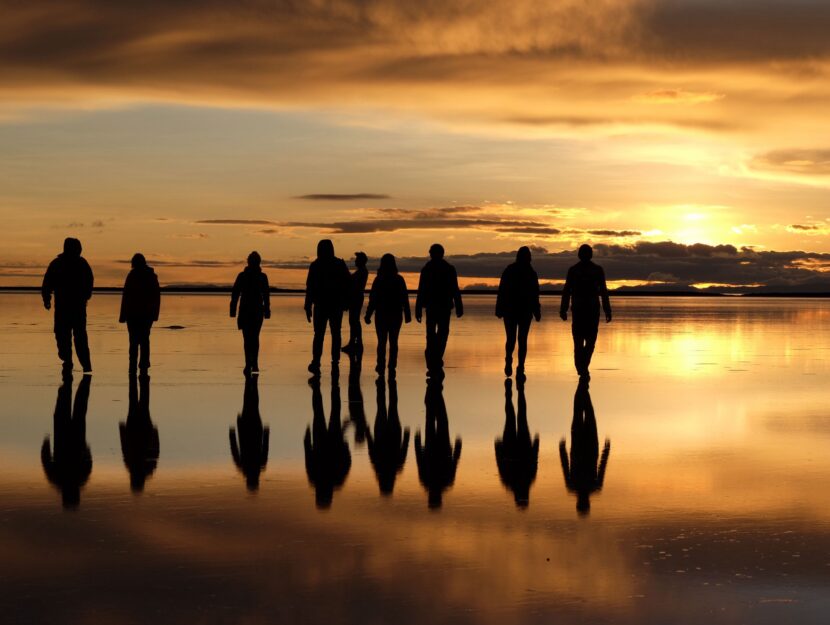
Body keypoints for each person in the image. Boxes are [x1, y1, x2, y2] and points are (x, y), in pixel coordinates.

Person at [559, 244, 612, 380]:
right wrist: (563, 308)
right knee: (586, 342)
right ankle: (582, 367)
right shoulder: (582, 270)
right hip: (583, 310)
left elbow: (603, 291)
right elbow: (567, 291)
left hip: (586, 310)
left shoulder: (587, 270)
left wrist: (607, 309)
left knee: (584, 342)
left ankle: (582, 367)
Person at [41, 237, 94, 373]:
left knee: (78, 336)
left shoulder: (80, 264)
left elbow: (89, 281)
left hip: (74, 307)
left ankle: (84, 364)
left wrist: (86, 295)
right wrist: (46, 298)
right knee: (63, 335)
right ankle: (68, 360)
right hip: (66, 307)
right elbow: (47, 283)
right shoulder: (58, 264)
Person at [41, 373, 92, 509]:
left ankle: (72, 384)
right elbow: (46, 460)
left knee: (77, 410)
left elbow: (88, 462)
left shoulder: (65, 479)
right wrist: (46, 444)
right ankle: (70, 385)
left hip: (69, 438)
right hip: (70, 438)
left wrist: (87, 450)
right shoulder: (61, 479)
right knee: (73, 410)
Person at [559, 379, 610, 515]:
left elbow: (565, 466)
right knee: (585, 410)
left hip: (584, 444)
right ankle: (583, 383)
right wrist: (606, 450)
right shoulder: (590, 486)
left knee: (583, 410)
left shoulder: (586, 486)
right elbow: (602, 466)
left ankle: (583, 383)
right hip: (587, 444)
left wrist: (562, 450)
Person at [415, 243, 463, 378]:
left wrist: (459, 305)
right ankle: (434, 358)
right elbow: (454, 289)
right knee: (439, 334)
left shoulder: (432, 269)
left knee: (437, 334)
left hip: (438, 307)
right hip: (438, 307)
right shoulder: (439, 269)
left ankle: (434, 357)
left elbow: (454, 288)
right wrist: (458, 305)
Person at [304, 240, 350, 376]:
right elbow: (310, 287)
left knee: (322, 334)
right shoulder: (336, 264)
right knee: (332, 334)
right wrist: (307, 306)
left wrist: (307, 305)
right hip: (328, 305)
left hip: (326, 305)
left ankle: (320, 362)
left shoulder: (317, 265)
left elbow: (310, 288)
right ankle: (329, 362)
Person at [304, 377, 351, 508]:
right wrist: (307, 441)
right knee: (321, 412)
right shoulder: (333, 480)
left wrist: (345, 446)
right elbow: (346, 462)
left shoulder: (334, 480)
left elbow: (346, 463)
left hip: (325, 442)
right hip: (328, 442)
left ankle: (331, 387)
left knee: (330, 412)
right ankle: (323, 387)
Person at [496, 246, 541, 380]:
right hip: (520, 310)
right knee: (520, 339)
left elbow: (502, 290)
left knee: (514, 338)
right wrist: (536, 310)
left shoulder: (511, 270)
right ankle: (518, 364)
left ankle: (515, 363)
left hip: (514, 310)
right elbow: (534, 294)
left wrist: (499, 308)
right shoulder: (529, 272)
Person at [414, 380, 462, 508]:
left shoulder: (440, 481)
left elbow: (420, 459)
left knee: (436, 417)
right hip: (441, 444)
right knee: (436, 416)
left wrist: (417, 442)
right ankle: (433, 388)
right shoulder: (444, 481)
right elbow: (454, 462)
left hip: (437, 445)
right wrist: (417, 442)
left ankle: (433, 388)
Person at [364, 253, 411, 379]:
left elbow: (373, 298)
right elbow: (404, 298)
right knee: (393, 341)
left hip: (381, 314)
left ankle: (381, 364)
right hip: (395, 314)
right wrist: (407, 314)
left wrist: (368, 314)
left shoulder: (378, 280)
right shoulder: (399, 279)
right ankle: (392, 365)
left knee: (382, 341)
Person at [495, 378, 539, 508]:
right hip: (517, 446)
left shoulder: (512, 481)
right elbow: (533, 460)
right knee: (514, 417)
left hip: (515, 446)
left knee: (519, 416)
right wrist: (498, 448)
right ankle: (512, 395)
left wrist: (536, 443)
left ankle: (519, 391)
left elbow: (534, 461)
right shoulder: (509, 482)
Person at [366, 378, 410, 496]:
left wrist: (406, 436)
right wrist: (368, 433)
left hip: (392, 433)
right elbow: (371, 449)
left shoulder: (396, 467)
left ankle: (391, 383)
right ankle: (384, 384)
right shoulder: (380, 465)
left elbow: (404, 450)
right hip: (385, 433)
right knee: (382, 407)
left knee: (391, 406)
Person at [119, 253, 160, 374]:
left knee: (136, 340)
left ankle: (137, 364)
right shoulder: (149, 276)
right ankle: (141, 364)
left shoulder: (138, 276)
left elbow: (126, 296)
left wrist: (123, 315)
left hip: (139, 314)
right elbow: (126, 296)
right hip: (141, 315)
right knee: (143, 339)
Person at [230, 251, 271, 375]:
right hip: (251, 310)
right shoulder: (248, 276)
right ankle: (252, 363)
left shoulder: (252, 276)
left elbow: (266, 295)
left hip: (252, 310)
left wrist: (267, 309)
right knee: (253, 338)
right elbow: (236, 293)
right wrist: (267, 309)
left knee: (248, 339)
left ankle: (250, 363)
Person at [119, 373, 159, 493]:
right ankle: (140, 377)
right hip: (142, 430)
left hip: (138, 430)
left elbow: (125, 446)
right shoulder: (143, 467)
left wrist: (122, 430)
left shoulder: (134, 465)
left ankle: (139, 376)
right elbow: (155, 449)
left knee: (140, 402)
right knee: (139, 402)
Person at [229, 373, 270, 491]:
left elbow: (235, 449)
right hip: (250, 428)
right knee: (251, 404)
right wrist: (232, 434)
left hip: (251, 428)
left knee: (251, 404)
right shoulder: (252, 465)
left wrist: (266, 432)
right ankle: (251, 381)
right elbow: (234, 449)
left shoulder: (248, 464)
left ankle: (251, 382)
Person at [343, 252, 369, 356]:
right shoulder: (361, 271)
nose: (355, 261)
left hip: (356, 298)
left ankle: (356, 343)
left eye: (357, 259)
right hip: (356, 297)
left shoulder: (362, 272)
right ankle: (355, 343)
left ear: (361, 261)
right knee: (353, 320)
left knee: (354, 320)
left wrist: (344, 269)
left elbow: (350, 280)